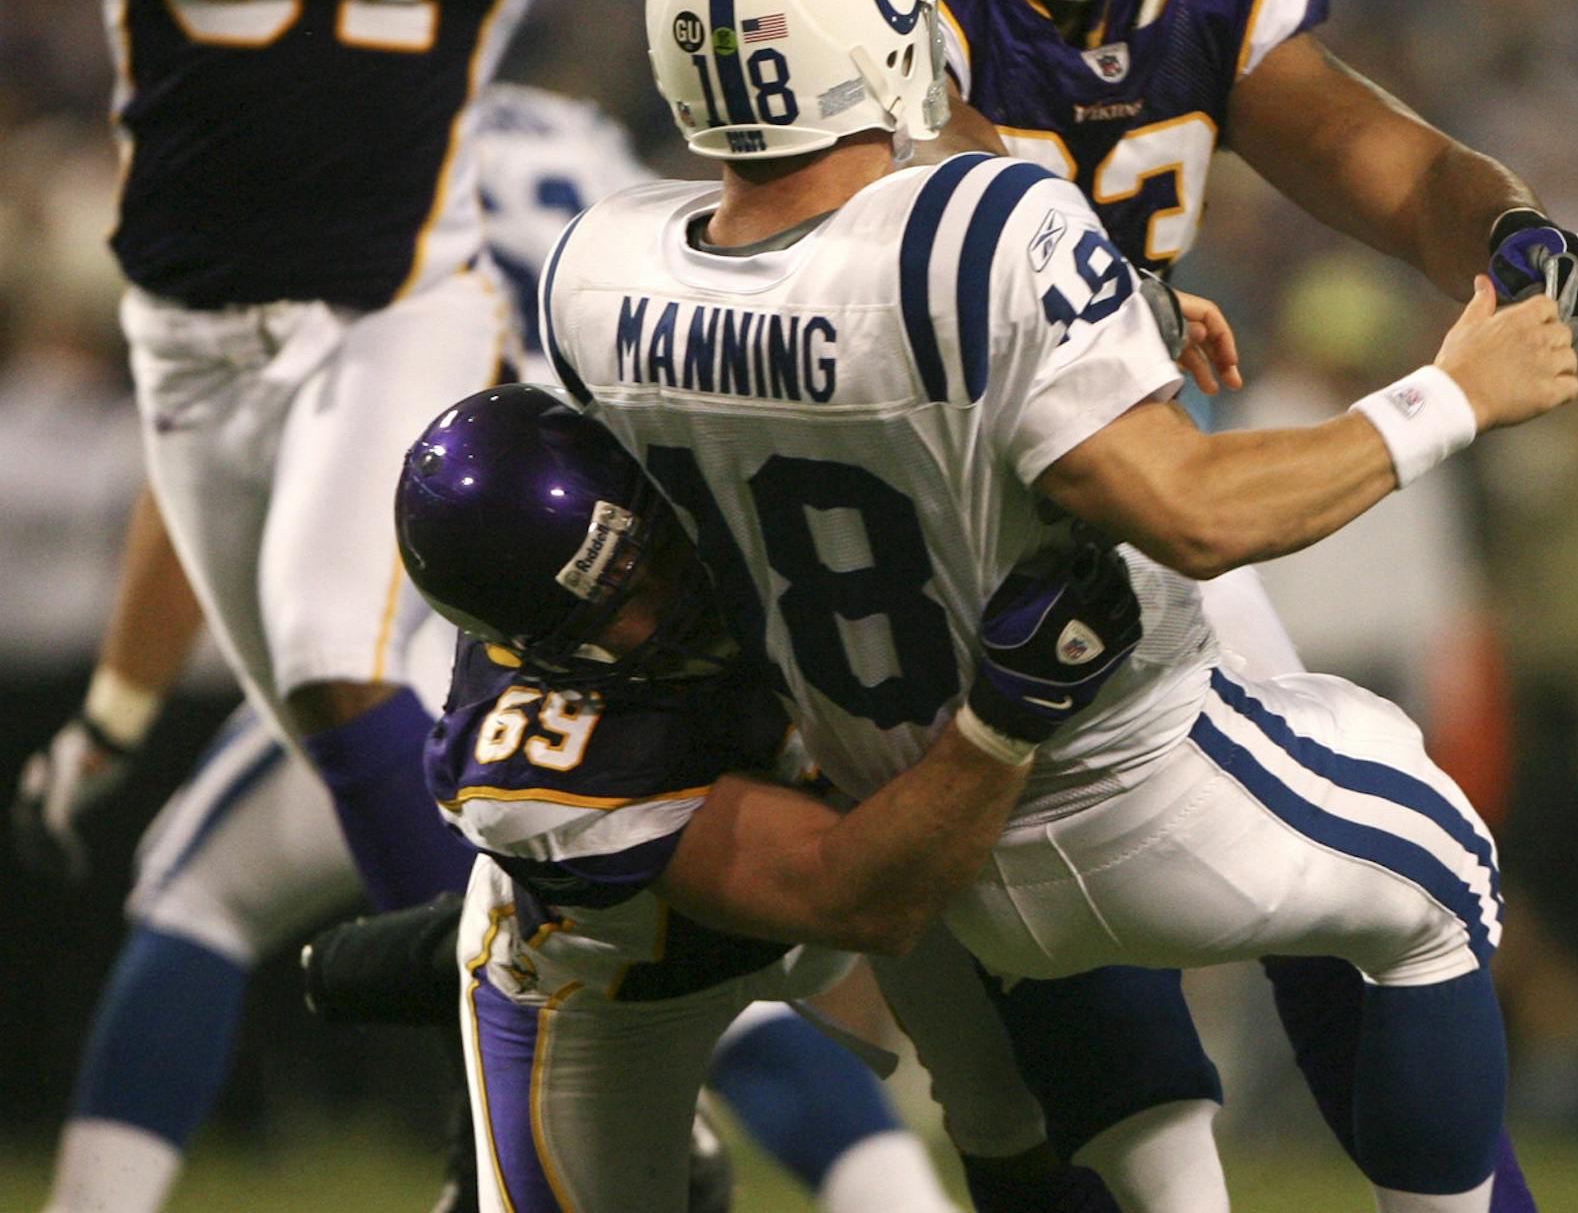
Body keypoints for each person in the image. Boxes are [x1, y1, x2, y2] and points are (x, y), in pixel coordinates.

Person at [0, 0, 1134, 945]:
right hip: (183, 330)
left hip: (394, 293)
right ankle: (655, 1067)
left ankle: (499, 1009)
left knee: (335, 662)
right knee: (330, 713)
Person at [540, 0, 1578, 1212]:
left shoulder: (599, 273)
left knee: (1059, 1125)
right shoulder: (982, 233)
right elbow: (1191, 512)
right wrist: (1455, 394)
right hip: (1132, 780)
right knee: (1439, 864)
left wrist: (1115, 297)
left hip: (904, 822)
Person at [856, 0, 1578, 1206]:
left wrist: (1503, 229)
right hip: (942, 525)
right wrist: (1119, 287)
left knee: (1364, 885)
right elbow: (974, 207)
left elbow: (1370, 147)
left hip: (1108, 499)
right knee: (1028, 1036)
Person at [14, 83, 958, 1213]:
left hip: (478, 639)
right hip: (672, 602)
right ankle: (901, 1198)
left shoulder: (328, 166)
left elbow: (198, 459)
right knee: (677, 944)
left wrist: (118, 709)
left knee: (199, 891)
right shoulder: (576, 129)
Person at [393, 380, 1146, 1213]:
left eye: (654, 549)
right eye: (619, 602)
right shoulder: (531, 761)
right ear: (541, 648)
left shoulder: (704, 455)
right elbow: (856, 899)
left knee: (1019, 1094)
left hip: (852, 836)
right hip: (622, 979)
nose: (667, 591)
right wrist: (1005, 718)